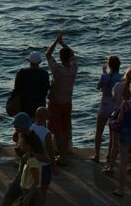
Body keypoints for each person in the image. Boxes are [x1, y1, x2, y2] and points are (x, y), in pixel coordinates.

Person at [2, 112, 50, 206]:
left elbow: (46, 158)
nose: (15, 128)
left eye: (17, 126)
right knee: (7, 200)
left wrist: (32, 154)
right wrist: (20, 154)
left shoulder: (34, 139)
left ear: (23, 126)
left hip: (30, 176)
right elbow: (16, 140)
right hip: (21, 173)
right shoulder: (19, 134)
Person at [45, 30, 77, 163]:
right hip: (67, 102)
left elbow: (47, 54)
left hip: (55, 102)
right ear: (69, 58)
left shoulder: (57, 70)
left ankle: (62, 156)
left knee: (57, 130)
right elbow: (72, 54)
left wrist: (56, 41)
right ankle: (63, 154)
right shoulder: (74, 68)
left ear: (60, 58)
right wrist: (63, 43)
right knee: (64, 128)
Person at [104, 65, 131, 174]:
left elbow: (114, 99)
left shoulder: (118, 85)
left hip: (118, 115)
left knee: (115, 144)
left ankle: (111, 167)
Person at [92, 55, 122, 163]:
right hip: (115, 107)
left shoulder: (104, 77)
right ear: (119, 65)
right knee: (112, 135)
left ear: (109, 65)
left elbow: (98, 87)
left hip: (104, 105)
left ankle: (96, 155)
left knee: (99, 132)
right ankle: (109, 155)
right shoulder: (121, 77)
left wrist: (104, 73)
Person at [11, 51, 50, 118]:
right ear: (40, 62)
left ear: (29, 61)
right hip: (39, 109)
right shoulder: (44, 74)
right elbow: (46, 91)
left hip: (24, 109)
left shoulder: (22, 73)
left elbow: (16, 89)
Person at [30, 107, 56, 205]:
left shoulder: (30, 129)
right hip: (45, 165)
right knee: (43, 190)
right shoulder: (47, 133)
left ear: (36, 116)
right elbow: (50, 152)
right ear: (47, 118)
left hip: (33, 163)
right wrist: (54, 166)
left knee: (33, 187)